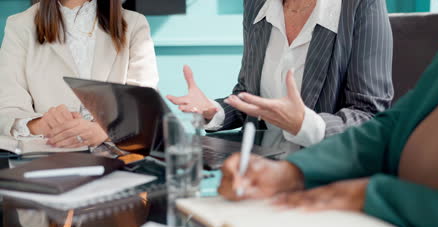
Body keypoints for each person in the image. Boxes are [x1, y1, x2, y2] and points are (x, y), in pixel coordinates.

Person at [218, 1, 438, 227]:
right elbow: (389, 129)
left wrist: (371, 195)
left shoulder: (358, 7)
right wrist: (291, 172)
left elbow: (368, 113)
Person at [167, 0, 393, 154]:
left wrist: (306, 125)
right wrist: (214, 111)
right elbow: (249, 94)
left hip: (323, 174)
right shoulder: (257, 4)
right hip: (259, 166)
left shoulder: (360, 5)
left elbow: (369, 117)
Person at [0, 0, 158, 148]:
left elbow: (143, 106)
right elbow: (7, 109)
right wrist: (38, 124)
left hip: (118, 159)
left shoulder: (134, 23)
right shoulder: (20, 25)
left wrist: (106, 131)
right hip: (47, 156)